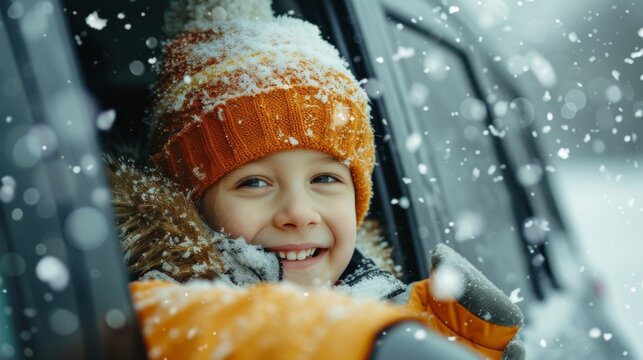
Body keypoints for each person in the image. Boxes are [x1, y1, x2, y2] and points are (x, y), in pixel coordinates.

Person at [107, 0, 525, 358]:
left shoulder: (389, 300)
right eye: (254, 183)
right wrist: (361, 342)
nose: (299, 213)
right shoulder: (160, 302)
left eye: (324, 178)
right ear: (191, 203)